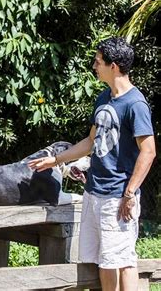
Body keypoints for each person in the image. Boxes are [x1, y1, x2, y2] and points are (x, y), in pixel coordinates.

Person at [28, 37, 156, 291]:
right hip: (94, 192)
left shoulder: (135, 104)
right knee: (104, 261)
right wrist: (56, 159)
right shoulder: (103, 98)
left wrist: (129, 193)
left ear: (115, 66)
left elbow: (149, 152)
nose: (94, 66)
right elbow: (90, 141)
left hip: (118, 196)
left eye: (98, 62)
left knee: (122, 260)